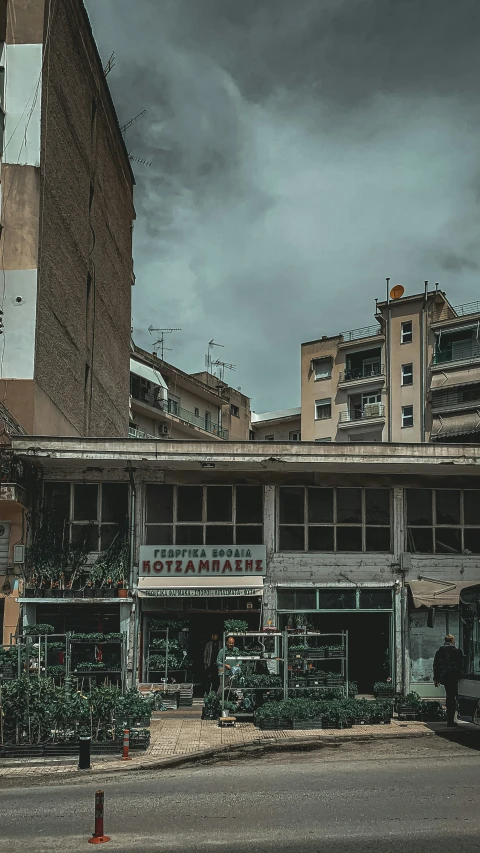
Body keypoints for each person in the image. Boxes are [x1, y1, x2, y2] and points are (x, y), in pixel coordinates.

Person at [433, 634, 464, 727]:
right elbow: (461, 665)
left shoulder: (439, 651)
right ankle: (453, 719)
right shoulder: (457, 651)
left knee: (449, 697)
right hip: (455, 678)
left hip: (445, 678)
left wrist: (436, 679)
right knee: (455, 697)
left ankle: (450, 719)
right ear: (452, 641)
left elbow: (436, 666)